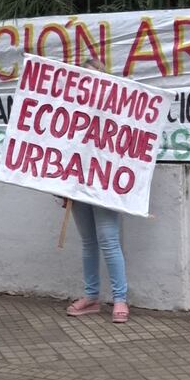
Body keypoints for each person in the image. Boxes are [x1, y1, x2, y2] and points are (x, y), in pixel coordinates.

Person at [64, 58, 129, 323]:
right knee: (89, 242)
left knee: (108, 240)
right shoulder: (70, 113)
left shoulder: (117, 112)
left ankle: (120, 299)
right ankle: (91, 297)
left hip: (104, 186)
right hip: (78, 185)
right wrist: (62, 187)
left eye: (93, 77)